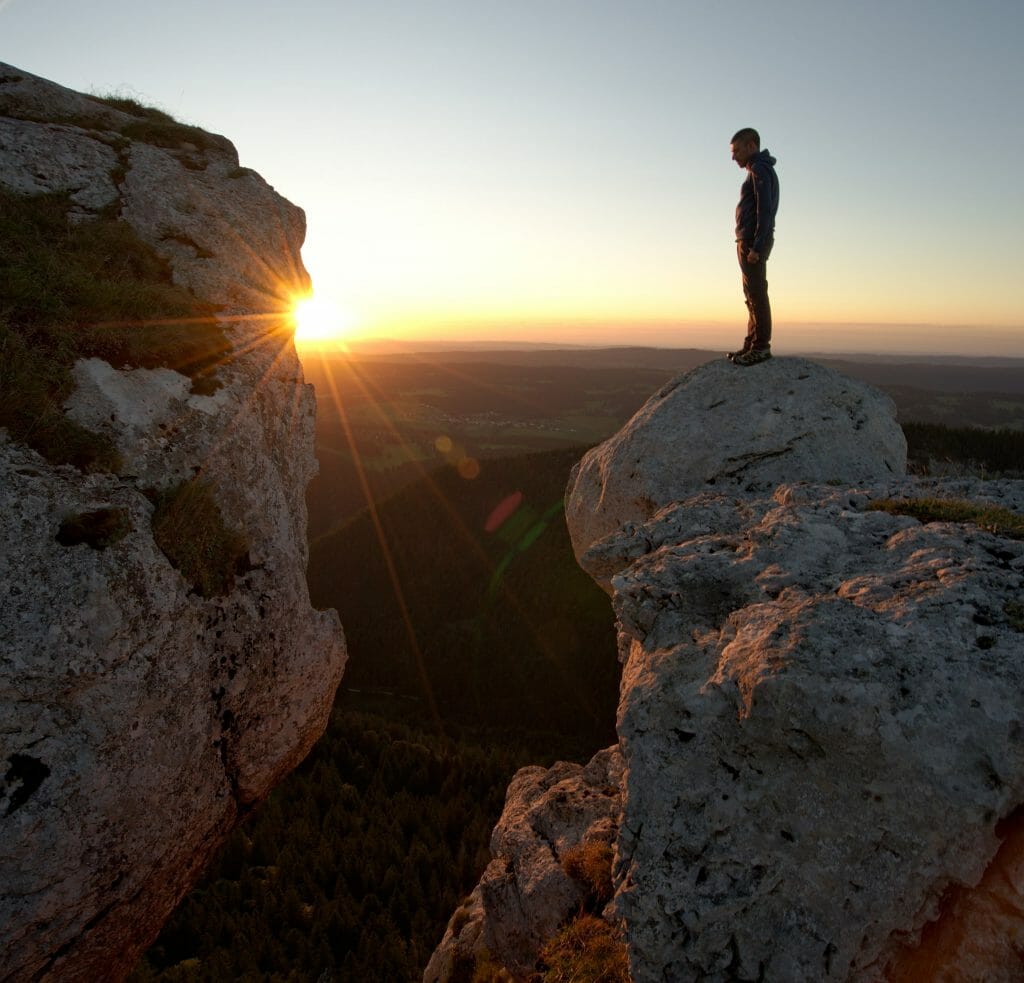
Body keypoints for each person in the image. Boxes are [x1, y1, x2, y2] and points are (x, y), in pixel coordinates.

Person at [728, 128, 779, 366]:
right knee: (751, 294)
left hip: (752, 241)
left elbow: (765, 209)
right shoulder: (757, 170)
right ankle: (752, 343)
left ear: (751, 145)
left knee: (756, 293)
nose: (733, 156)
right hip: (749, 240)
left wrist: (757, 246)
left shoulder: (759, 169)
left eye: (737, 150)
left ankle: (761, 347)